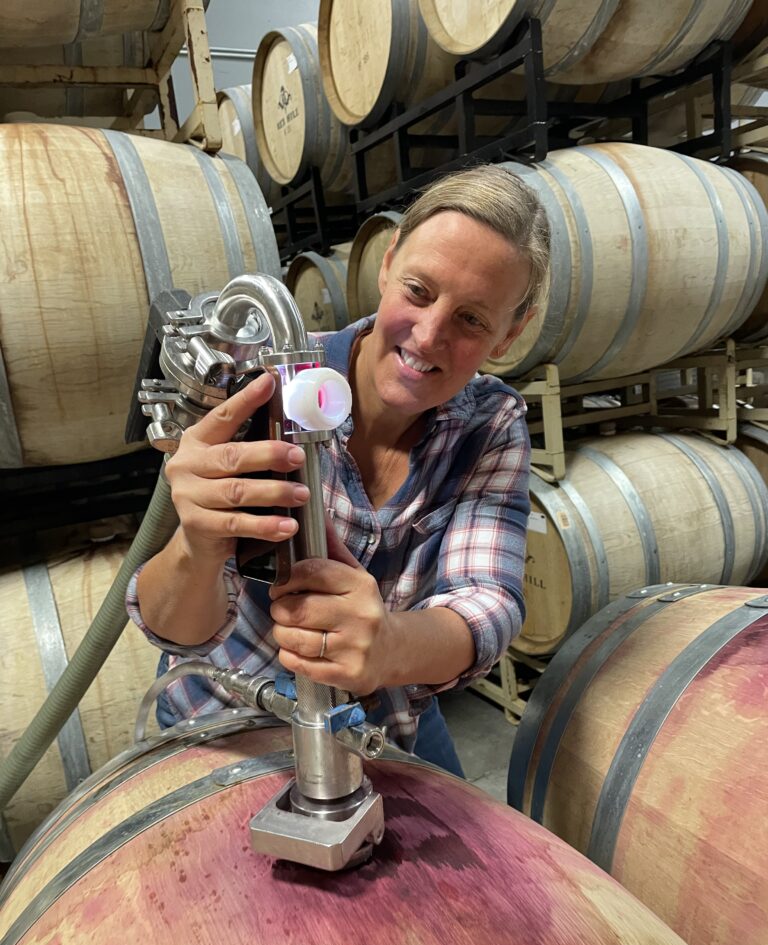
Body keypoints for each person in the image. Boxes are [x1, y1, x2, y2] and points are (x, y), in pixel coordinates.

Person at [127, 163, 550, 775]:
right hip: (228, 709)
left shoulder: (491, 423)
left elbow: (488, 600)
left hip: (383, 711)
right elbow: (175, 630)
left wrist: (387, 648)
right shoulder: (263, 385)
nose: (429, 336)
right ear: (386, 265)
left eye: (473, 319)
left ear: (510, 334)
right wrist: (198, 541)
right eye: (419, 291)